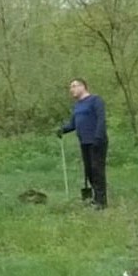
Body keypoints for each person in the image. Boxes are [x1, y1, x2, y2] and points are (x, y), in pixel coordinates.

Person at [57, 78, 107, 208]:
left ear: (83, 86)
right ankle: (95, 198)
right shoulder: (77, 106)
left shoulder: (95, 100)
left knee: (97, 170)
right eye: (70, 87)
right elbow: (73, 124)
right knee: (89, 170)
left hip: (96, 140)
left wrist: (98, 137)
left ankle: (101, 201)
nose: (72, 89)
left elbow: (101, 119)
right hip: (84, 141)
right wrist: (62, 130)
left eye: (74, 86)